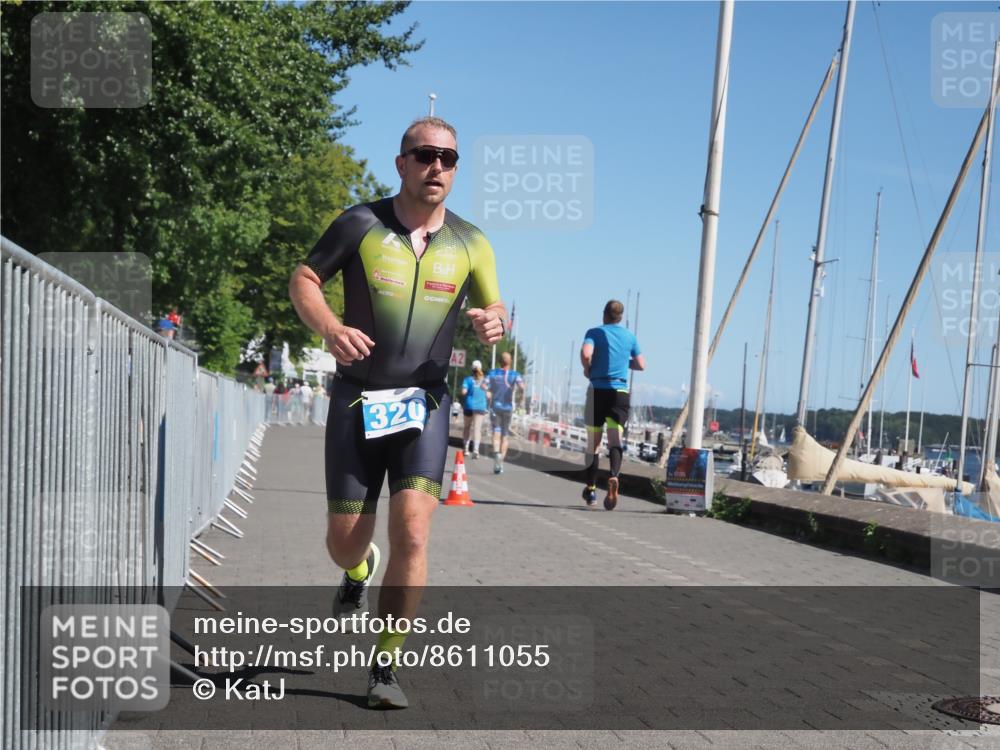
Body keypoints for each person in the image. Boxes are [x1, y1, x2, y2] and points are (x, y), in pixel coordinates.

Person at [288, 116, 506, 709]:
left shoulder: (472, 242)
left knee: (412, 529)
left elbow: (496, 310)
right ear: (401, 162)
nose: (438, 167)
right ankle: (357, 572)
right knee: (344, 544)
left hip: (425, 402)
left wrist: (494, 321)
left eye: (449, 159)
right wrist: (330, 326)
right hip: (356, 399)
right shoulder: (361, 223)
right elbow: (304, 277)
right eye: (425, 155)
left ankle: (384, 668)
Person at [580, 300, 645, 510]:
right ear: (621, 317)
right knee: (614, 439)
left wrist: (588, 369)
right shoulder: (630, 336)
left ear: (604, 315)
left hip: (598, 391)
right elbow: (641, 364)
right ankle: (614, 475)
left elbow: (585, 353)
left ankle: (591, 490)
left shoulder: (594, 332)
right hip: (620, 393)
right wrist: (623, 362)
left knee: (593, 445)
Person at [486, 351, 523, 474]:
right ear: (510, 361)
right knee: (505, 435)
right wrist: (520, 398)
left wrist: (490, 392)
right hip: (508, 407)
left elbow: (483, 385)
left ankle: (496, 453)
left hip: (495, 406)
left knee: (496, 431)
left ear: (499, 362)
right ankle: (500, 461)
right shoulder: (514, 374)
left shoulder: (492, 373)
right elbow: (522, 386)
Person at [461, 360, 488, 458]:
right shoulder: (485, 380)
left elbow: (464, 392)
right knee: (477, 428)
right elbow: (489, 394)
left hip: (469, 405)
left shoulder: (467, 380)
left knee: (467, 427)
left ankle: (466, 449)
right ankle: (476, 450)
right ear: (480, 368)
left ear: (472, 369)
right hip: (480, 407)